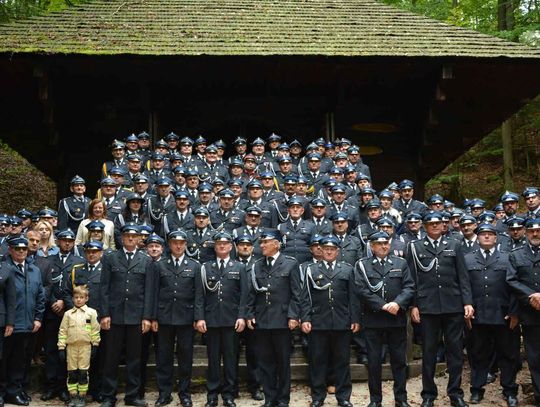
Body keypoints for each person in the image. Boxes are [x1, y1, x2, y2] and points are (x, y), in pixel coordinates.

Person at [407, 211, 474, 407]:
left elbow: (463, 276)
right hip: (428, 308)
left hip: (453, 306)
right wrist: (414, 305)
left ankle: (455, 393)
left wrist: (467, 302)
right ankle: (428, 394)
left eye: (438, 223)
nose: (435, 226)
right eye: (431, 223)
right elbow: (412, 280)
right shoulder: (415, 247)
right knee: (429, 352)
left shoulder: (454, 245)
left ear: (444, 226)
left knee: (454, 352)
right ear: (424, 226)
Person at [459, 223, 519, 407]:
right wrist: (466, 308)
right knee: (477, 354)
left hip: (503, 315)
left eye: (490, 234)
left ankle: (509, 391)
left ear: (496, 238)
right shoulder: (467, 259)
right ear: (477, 237)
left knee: (508, 355)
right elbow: (464, 286)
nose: (486, 237)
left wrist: (514, 312)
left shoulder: (507, 257)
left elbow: (515, 286)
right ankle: (477, 390)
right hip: (478, 315)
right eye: (482, 234)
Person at [355, 231, 415, 407]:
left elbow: (409, 287)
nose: (383, 246)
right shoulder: (363, 265)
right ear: (372, 246)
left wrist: (397, 303)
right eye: (379, 244)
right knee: (374, 362)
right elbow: (361, 290)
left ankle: (401, 399)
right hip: (373, 320)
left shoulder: (401, 263)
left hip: (396, 320)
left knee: (399, 361)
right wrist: (382, 305)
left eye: (386, 243)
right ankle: (375, 400)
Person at [300, 235, 359, 407]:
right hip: (318, 322)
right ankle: (318, 396)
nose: (328, 251)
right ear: (321, 250)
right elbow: (305, 298)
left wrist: (355, 319)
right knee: (318, 361)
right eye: (325, 248)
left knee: (342, 361)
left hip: (342, 322)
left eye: (332, 249)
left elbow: (353, 298)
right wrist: (305, 318)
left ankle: (343, 397)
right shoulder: (311, 270)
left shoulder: (347, 269)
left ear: (337, 251)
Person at [99, 224, 154, 407]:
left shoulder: (146, 260)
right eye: (127, 236)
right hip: (114, 316)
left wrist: (146, 317)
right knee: (111, 358)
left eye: (134, 236)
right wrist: (104, 314)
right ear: (121, 238)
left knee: (134, 359)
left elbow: (148, 292)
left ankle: (132, 395)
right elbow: (104, 288)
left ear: (139, 239)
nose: (130, 239)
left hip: (136, 317)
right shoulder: (110, 258)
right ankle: (109, 396)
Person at [245, 230, 302, 407]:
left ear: (276, 243)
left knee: (283, 362)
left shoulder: (290, 264)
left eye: (265, 242)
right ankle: (270, 398)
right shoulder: (257, 265)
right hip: (262, 320)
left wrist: (293, 315)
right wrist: (249, 314)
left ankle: (283, 400)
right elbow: (251, 293)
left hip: (283, 320)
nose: (261, 245)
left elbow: (297, 294)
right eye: (260, 242)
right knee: (265, 362)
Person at [195, 231, 247, 407]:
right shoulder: (205, 267)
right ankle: (212, 394)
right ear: (215, 247)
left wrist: (241, 316)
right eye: (218, 244)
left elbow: (244, 296)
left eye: (225, 244)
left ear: (231, 247)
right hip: (211, 320)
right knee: (213, 358)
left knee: (231, 359)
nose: (222, 246)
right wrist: (200, 318)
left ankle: (229, 394)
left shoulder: (239, 267)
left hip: (231, 320)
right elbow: (200, 296)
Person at [149, 230, 201, 407]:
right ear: (169, 245)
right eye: (174, 242)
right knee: (164, 357)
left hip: (186, 318)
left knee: (185, 357)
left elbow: (198, 295)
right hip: (164, 318)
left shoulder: (195, 266)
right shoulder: (159, 265)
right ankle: (164, 393)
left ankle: (185, 393)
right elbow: (153, 293)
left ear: (186, 244)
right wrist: (153, 317)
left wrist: (197, 317)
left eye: (181, 243)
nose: (178, 246)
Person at [0, 236, 45, 406]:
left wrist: (38, 318)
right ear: (10, 250)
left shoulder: (34, 270)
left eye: (24, 249)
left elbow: (40, 296)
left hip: (27, 324)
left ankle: (14, 391)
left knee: (20, 361)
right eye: (17, 249)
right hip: (8, 324)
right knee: (3, 360)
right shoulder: (4, 269)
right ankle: (2, 392)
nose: (21, 252)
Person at [41, 229, 84, 403]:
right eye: (63, 240)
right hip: (52, 313)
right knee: (51, 350)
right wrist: (53, 301)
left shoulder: (79, 262)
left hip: (71, 313)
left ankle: (66, 387)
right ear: (58, 242)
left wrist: (65, 303)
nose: (67, 243)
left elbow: (80, 289)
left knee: (69, 352)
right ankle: (51, 387)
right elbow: (44, 285)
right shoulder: (48, 261)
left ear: (74, 242)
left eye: (70, 240)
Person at [64, 240, 106, 402]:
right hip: (77, 322)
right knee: (76, 361)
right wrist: (75, 311)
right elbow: (68, 292)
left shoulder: (105, 270)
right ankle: (76, 393)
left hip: (97, 321)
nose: (91, 254)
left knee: (98, 357)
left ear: (101, 253)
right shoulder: (77, 270)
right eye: (88, 251)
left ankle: (96, 390)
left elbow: (108, 294)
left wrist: (104, 315)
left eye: (95, 251)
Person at [507, 217, 540, 406]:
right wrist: (532, 296)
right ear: (526, 233)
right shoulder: (516, 254)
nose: (535, 234)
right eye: (531, 231)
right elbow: (511, 280)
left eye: (538, 230)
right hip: (529, 313)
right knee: (534, 357)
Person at [57, 286, 101, 407]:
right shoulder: (68, 314)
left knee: (82, 373)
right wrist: (61, 347)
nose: (79, 300)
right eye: (76, 297)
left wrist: (95, 345)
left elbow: (95, 330)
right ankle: (73, 396)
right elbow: (62, 331)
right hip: (71, 348)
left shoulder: (91, 313)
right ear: (72, 299)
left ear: (86, 298)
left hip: (85, 347)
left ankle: (82, 396)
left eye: (81, 297)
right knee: (72, 373)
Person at [0, 243, 16, 407]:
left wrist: (10, 322)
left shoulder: (6, 268)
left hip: (1, 319)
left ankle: (1, 392)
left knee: (1, 358)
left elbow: (11, 298)